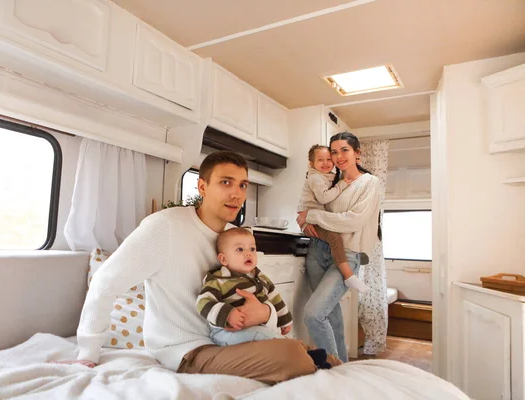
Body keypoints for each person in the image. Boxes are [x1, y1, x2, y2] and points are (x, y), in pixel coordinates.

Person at [61, 151, 324, 385]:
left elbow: (263, 296)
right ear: (202, 187)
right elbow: (105, 282)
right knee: (292, 355)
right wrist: (87, 353)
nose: (237, 193)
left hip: (235, 339)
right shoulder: (164, 226)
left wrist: (266, 313)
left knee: (307, 349)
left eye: (243, 185)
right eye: (225, 182)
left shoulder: (236, 237)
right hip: (186, 350)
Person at [196, 227, 340, 369]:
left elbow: (274, 297)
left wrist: (285, 320)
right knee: (266, 336)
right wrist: (228, 314)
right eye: (240, 250)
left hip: (256, 329)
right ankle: (305, 355)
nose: (248, 254)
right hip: (225, 333)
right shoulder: (218, 280)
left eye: (252, 249)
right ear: (224, 259)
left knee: (270, 337)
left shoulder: (260, 277)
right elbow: (203, 302)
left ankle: (307, 356)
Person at [296, 132, 381, 363]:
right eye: (334, 152)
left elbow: (352, 220)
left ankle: (332, 370)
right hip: (317, 250)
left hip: (346, 254)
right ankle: (343, 369)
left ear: (357, 153)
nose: (338, 156)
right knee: (331, 317)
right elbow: (313, 212)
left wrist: (311, 216)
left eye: (344, 150)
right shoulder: (330, 180)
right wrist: (305, 223)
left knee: (313, 314)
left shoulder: (369, 183)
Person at [297, 144, 368, 293]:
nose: (325, 163)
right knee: (335, 237)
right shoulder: (316, 178)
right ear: (312, 164)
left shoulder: (327, 176)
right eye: (320, 160)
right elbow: (323, 198)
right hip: (312, 221)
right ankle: (348, 275)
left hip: (314, 219)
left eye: (329, 159)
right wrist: (341, 185)